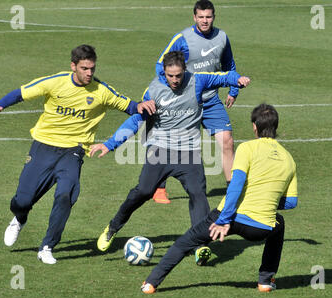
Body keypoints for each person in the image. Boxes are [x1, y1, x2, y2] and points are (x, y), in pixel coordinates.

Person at [0, 44, 155, 264]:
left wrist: (142, 106)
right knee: (22, 201)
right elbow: (22, 93)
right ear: (73, 66)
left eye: (92, 68)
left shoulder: (101, 91)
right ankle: (20, 218)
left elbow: (129, 106)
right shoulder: (55, 82)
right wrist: (0, 105)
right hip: (43, 147)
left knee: (65, 195)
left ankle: (47, 246)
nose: (90, 73)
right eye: (84, 68)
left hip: (73, 151)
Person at [93, 51, 250, 266]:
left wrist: (238, 80)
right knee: (143, 192)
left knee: (197, 193)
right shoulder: (154, 90)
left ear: (184, 70)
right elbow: (136, 120)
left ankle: (201, 245)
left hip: (189, 151)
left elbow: (224, 76)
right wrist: (110, 144)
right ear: (164, 73)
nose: (175, 80)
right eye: (170, 76)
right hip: (160, 150)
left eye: (178, 75)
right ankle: (113, 227)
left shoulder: (198, 80)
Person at [140, 103, 298, 294]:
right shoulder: (288, 158)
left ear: (254, 126)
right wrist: (266, 200)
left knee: (185, 242)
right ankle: (265, 281)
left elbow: (236, 185)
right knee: (278, 223)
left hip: (230, 218)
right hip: (261, 228)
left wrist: (223, 220)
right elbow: (291, 202)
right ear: (276, 126)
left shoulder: (247, 148)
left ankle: (150, 284)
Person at [152, 0, 240, 204]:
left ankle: (233, 192)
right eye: (201, 17)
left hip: (211, 101)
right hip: (185, 103)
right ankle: (159, 187)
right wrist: (172, 91)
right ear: (194, 17)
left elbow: (229, 65)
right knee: (171, 144)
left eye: (208, 17)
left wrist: (233, 90)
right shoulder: (183, 38)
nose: (205, 21)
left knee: (227, 141)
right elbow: (160, 65)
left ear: (214, 16)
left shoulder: (222, 37)